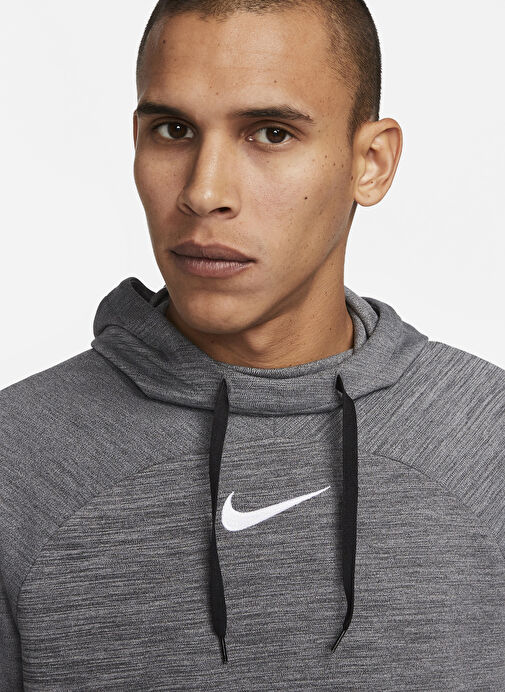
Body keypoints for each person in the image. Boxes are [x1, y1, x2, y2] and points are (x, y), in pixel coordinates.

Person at [1, 0, 503, 689]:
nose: (204, 192)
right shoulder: (15, 462)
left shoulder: (490, 444)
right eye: (173, 130)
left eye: (270, 133)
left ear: (371, 163)